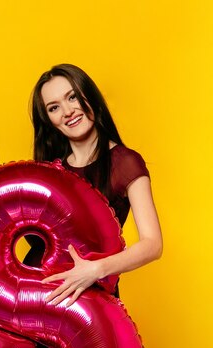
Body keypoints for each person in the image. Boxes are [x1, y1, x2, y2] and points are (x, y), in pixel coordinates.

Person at [29, 63, 163, 306]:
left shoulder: (125, 162)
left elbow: (153, 244)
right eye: (54, 107)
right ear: (48, 121)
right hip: (42, 300)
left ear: (89, 96)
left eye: (72, 97)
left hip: (94, 302)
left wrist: (96, 269)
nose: (68, 111)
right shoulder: (49, 170)